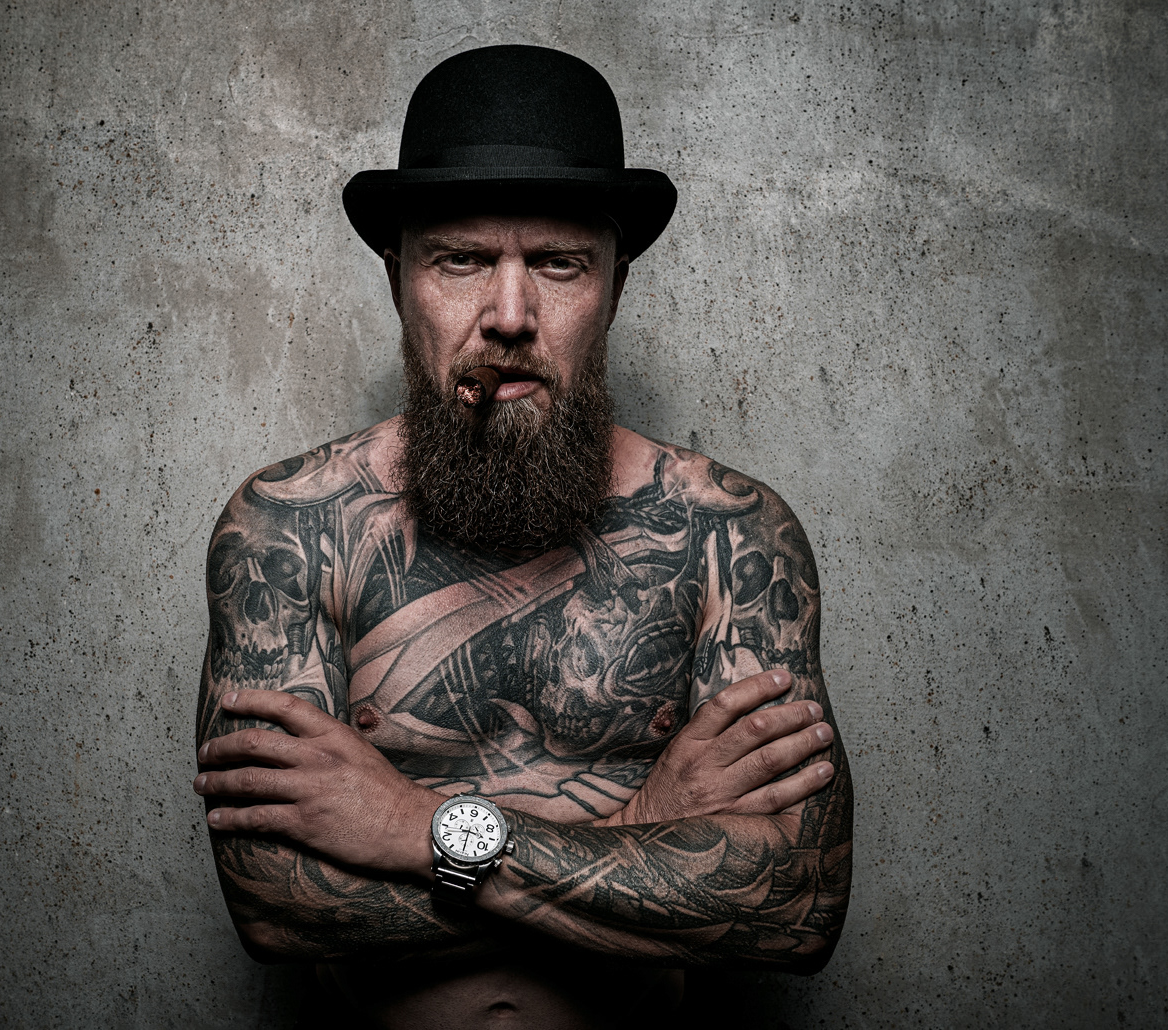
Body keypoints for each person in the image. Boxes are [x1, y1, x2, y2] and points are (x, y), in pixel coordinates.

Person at [193, 45, 852, 1030]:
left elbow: (791, 910)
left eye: (557, 264)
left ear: (615, 288)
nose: (509, 317)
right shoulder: (293, 527)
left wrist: (412, 827)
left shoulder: (728, 535)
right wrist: (648, 828)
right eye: (461, 261)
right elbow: (274, 906)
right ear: (399, 281)